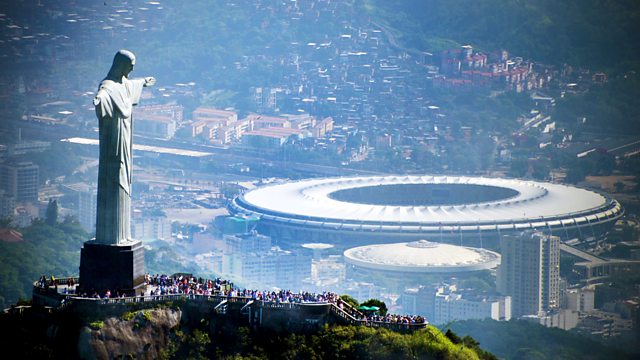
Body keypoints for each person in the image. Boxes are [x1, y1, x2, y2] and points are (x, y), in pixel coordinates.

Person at [93, 50, 155, 245]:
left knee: (125, 180)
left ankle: (122, 235)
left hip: (126, 140)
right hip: (114, 142)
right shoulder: (108, 86)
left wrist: (143, 81)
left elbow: (130, 85)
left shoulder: (124, 84)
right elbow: (103, 94)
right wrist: (99, 100)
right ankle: (112, 237)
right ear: (120, 65)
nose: (132, 69)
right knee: (115, 178)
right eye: (130, 65)